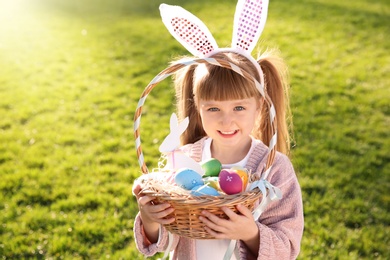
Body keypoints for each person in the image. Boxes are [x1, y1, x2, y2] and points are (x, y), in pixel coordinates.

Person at [132, 1, 304, 259]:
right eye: (213, 109)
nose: (226, 121)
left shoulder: (274, 170)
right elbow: (167, 238)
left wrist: (251, 233)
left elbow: (287, 246)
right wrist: (150, 219)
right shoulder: (184, 161)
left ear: (259, 106)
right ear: (198, 108)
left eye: (239, 108)